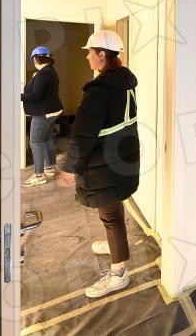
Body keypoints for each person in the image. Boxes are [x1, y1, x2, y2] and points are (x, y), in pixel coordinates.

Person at [58, 30, 141, 299]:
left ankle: (119, 274)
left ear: (102, 54)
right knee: (113, 210)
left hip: (106, 164)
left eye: (90, 52)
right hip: (123, 158)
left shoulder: (100, 91)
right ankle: (115, 245)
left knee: (111, 215)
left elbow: (83, 134)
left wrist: (70, 167)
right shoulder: (125, 81)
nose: (87, 57)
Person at [21, 46, 64, 186]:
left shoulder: (43, 74)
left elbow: (36, 95)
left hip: (43, 113)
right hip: (52, 110)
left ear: (36, 59)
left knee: (35, 142)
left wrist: (17, 95)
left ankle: (39, 175)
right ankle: (50, 167)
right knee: (46, 139)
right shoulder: (49, 71)